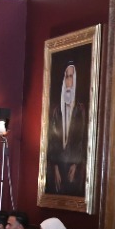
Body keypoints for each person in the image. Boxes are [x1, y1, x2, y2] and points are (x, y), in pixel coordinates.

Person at [45, 62, 88, 197]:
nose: (69, 81)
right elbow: (53, 140)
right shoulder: (57, 110)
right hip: (59, 165)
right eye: (66, 77)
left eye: (71, 77)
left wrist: (76, 165)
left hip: (74, 165)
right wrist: (55, 167)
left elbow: (82, 138)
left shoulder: (80, 110)